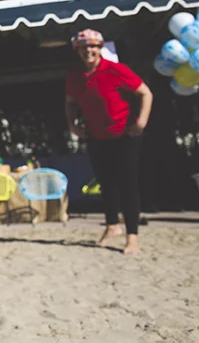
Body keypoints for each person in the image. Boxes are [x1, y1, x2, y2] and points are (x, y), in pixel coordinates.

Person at [65, 28, 152, 255]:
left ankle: (132, 236)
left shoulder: (115, 69)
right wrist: (73, 124)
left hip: (125, 135)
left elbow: (145, 93)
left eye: (93, 46)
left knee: (127, 185)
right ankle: (112, 225)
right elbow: (70, 102)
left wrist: (141, 122)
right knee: (106, 183)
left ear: (100, 48)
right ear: (78, 51)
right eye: (84, 47)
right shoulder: (75, 75)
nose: (88, 51)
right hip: (96, 136)